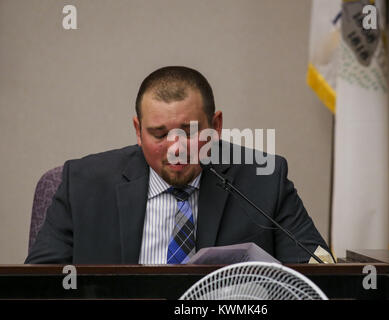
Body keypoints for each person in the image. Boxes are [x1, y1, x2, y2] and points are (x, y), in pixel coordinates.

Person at [25, 66, 330, 264]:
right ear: (137, 130)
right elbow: (36, 288)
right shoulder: (82, 183)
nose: (175, 148)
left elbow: (315, 278)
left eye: (190, 132)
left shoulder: (264, 179)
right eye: (159, 134)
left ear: (216, 125)